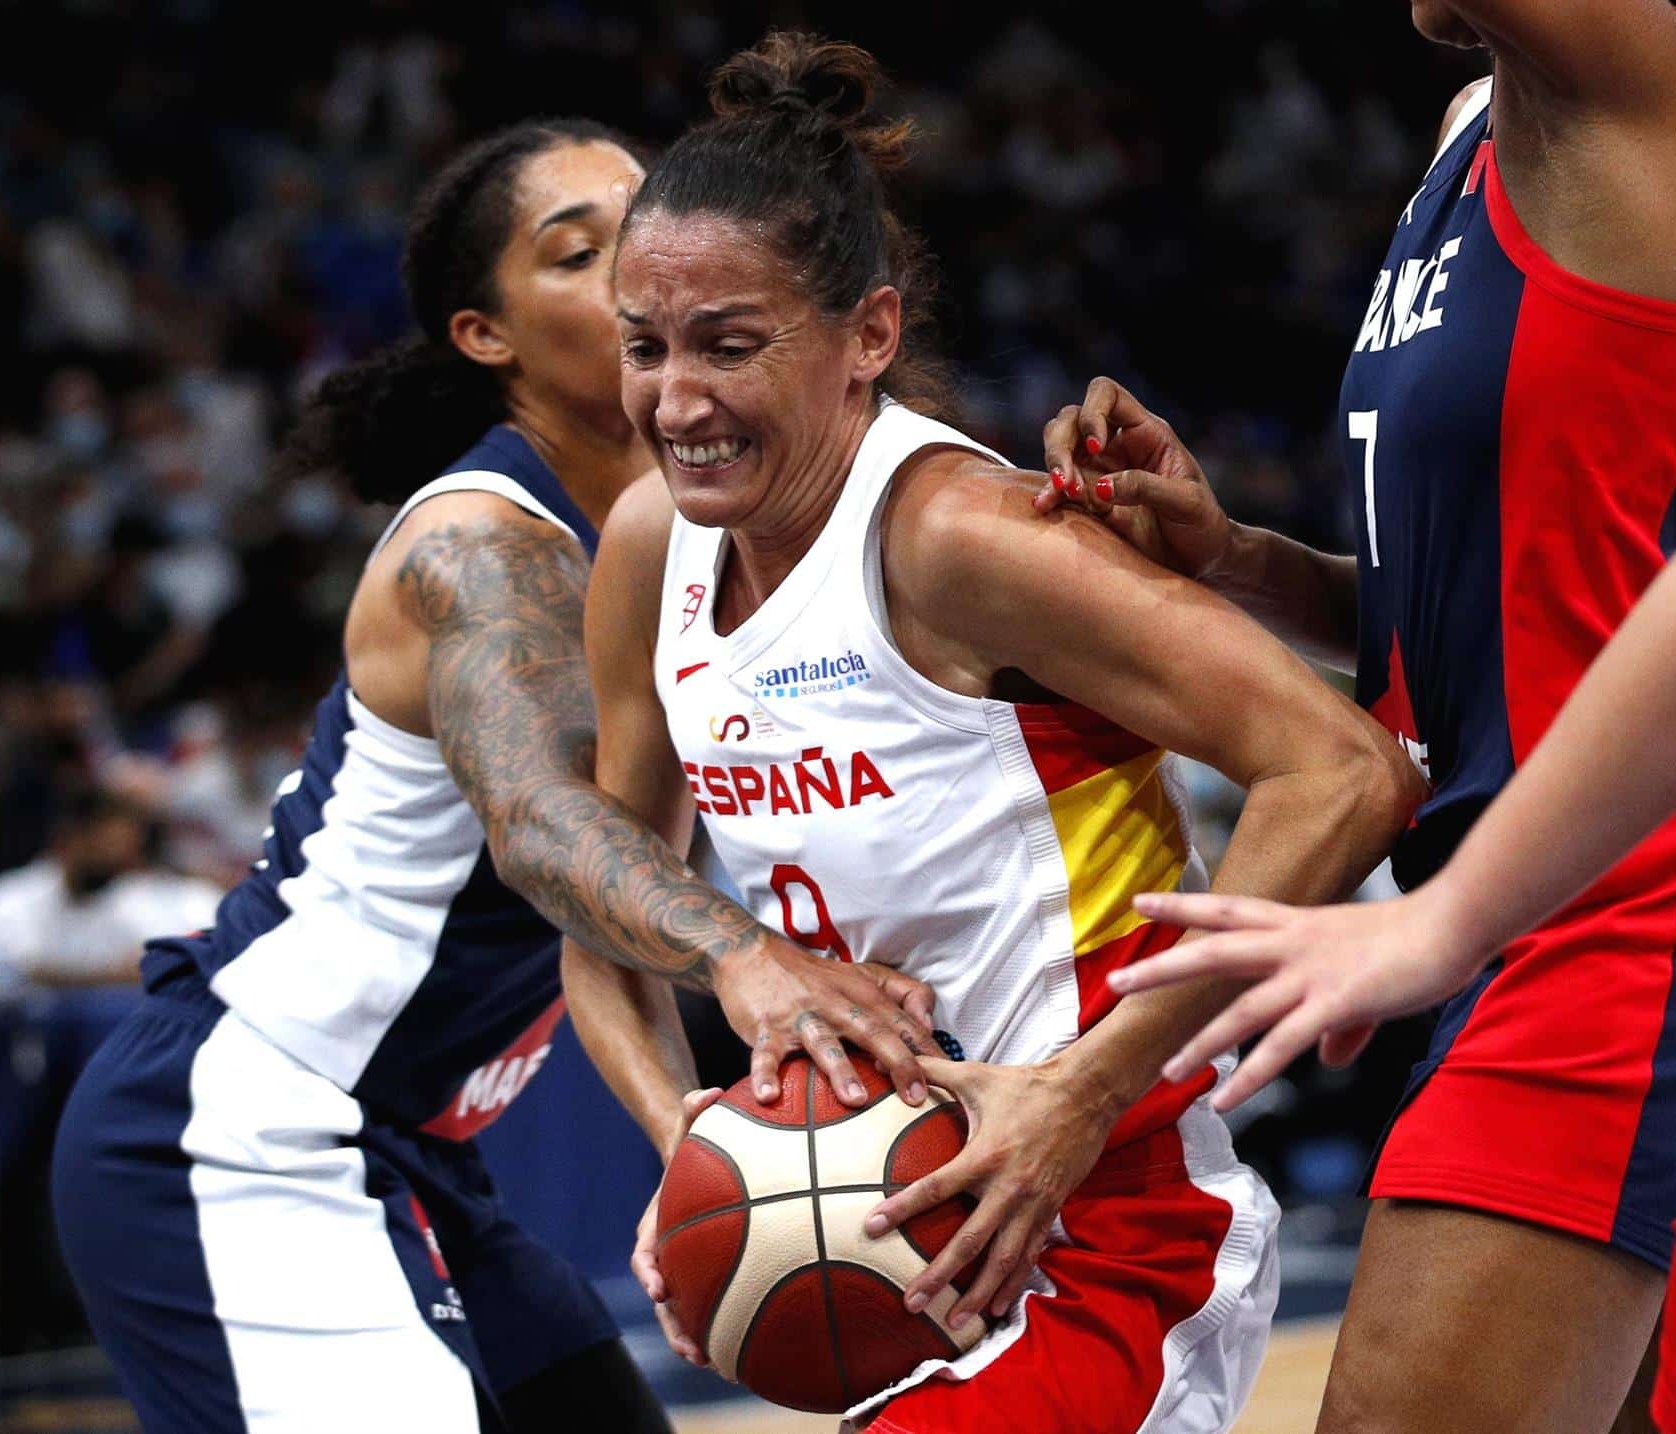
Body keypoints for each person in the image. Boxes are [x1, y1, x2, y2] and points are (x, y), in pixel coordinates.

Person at [567, 33, 1420, 1433]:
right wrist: (706, 1155)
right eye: (644, 348)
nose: (675, 402)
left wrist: (1087, 1090)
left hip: (1103, 1231)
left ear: (871, 338)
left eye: (729, 346)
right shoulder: (648, 544)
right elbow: (607, 899)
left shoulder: (961, 536)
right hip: (884, 1237)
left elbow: (1339, 767)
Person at [49, 118, 939, 1434]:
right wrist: (751, 961)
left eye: (648, 219)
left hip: (419, 1152)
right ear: (488, 336)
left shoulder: (683, 535)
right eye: (580, 251)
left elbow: (635, 885)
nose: (639, 257)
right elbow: (547, 827)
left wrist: (689, 1133)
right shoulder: (479, 546)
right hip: (248, 1132)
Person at [1039, 4, 1676, 1428]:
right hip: (1510, 910)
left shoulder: (1640, 87)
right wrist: (1240, 561)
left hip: (1638, 909)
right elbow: (1483, 592)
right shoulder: (1465, 142)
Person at [0, 784, 219, 1005]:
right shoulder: (6, 900)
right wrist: (111, 976)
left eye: (129, 850)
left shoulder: (131, 900)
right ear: (69, 839)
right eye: (108, 847)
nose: (124, 862)